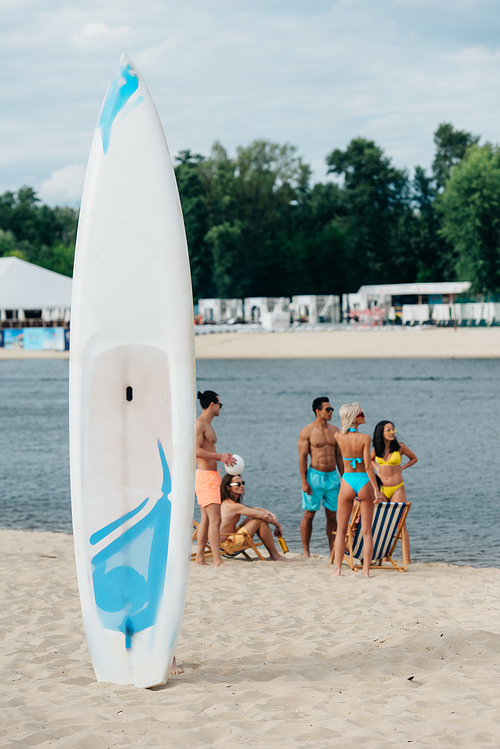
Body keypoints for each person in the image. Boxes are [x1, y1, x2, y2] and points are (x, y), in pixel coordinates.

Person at [332, 403, 383, 577]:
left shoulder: (338, 436)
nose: (364, 415)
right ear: (355, 417)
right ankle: (366, 571)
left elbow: (341, 430)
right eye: (361, 413)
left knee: (341, 530)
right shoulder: (365, 438)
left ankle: (338, 570)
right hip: (363, 481)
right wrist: (376, 489)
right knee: (367, 531)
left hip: (347, 480)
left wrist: (343, 422)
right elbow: (368, 466)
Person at [298, 396, 343, 557]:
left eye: (332, 409)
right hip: (314, 477)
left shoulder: (335, 430)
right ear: (318, 411)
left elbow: (339, 456)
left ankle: (333, 551)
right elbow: (302, 457)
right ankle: (306, 551)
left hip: (332, 477)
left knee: (332, 515)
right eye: (328, 409)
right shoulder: (307, 431)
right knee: (309, 514)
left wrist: (344, 477)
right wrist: (304, 481)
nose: (331, 412)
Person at [195, 390, 236, 567]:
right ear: (212, 405)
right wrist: (220, 456)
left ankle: (200, 558)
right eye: (220, 404)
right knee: (215, 519)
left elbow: (207, 451)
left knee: (206, 518)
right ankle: (218, 561)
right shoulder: (199, 425)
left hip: (211, 475)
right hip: (205, 477)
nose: (221, 408)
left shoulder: (207, 425)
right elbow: (195, 450)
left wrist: (218, 461)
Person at [371, 420, 418, 564]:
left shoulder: (400, 447)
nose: (392, 433)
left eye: (393, 430)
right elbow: (369, 460)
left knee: (400, 523)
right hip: (382, 489)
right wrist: (377, 468)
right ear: (381, 433)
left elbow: (414, 458)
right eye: (388, 430)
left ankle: (407, 559)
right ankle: (385, 556)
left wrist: (402, 468)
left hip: (397, 487)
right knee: (384, 522)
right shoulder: (377, 448)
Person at [219, 473, 288, 561]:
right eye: (238, 484)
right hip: (227, 546)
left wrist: (269, 513)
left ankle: (274, 555)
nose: (242, 486)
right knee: (259, 520)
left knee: (253, 517)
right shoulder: (233, 506)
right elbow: (264, 516)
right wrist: (278, 525)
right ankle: (275, 555)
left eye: (243, 483)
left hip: (225, 541)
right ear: (228, 487)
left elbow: (253, 508)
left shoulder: (228, 503)